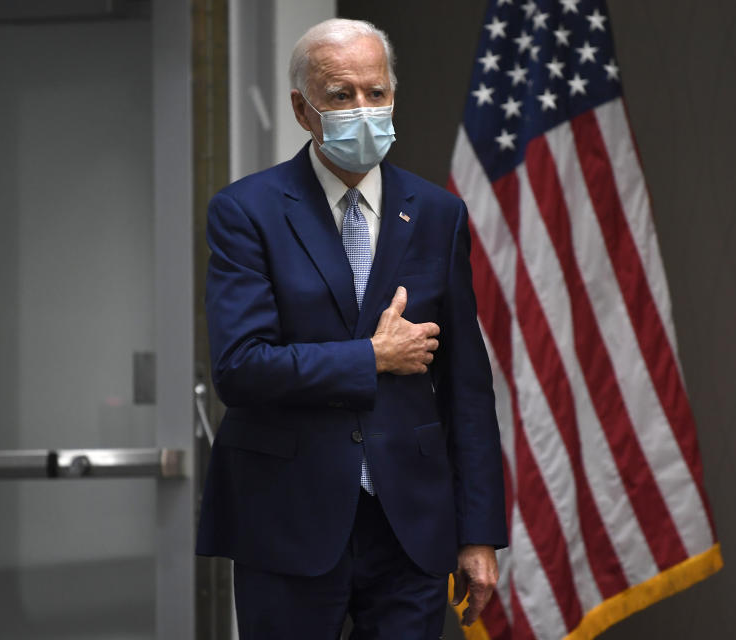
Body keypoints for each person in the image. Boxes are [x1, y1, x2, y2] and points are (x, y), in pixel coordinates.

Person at [195, 18, 508, 638]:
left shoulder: (438, 213)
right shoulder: (246, 212)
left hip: (410, 526)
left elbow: (467, 388)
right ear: (303, 109)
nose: (364, 109)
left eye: (376, 91)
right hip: (287, 520)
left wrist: (478, 533)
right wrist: (370, 357)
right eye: (341, 95)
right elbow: (241, 367)